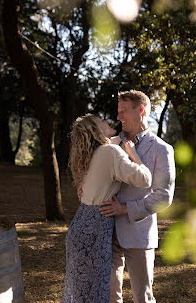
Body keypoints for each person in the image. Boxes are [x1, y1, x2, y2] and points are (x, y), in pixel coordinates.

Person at [61, 113, 152, 303]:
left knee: (82, 294)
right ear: (96, 130)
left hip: (79, 226)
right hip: (95, 229)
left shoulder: (91, 154)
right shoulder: (111, 152)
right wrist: (132, 153)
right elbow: (145, 179)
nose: (106, 121)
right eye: (100, 121)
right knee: (96, 293)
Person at [99, 90, 176, 303]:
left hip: (139, 233)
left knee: (143, 297)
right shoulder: (109, 143)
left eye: (123, 111)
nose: (118, 116)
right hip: (106, 230)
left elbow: (163, 196)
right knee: (110, 296)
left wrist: (125, 209)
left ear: (140, 110)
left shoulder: (162, 149)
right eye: (118, 111)